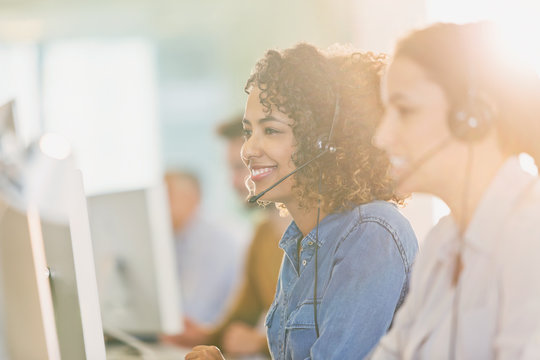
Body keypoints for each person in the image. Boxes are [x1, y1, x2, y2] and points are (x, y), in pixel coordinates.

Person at [186, 43, 418, 359]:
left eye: (270, 130)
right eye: (248, 131)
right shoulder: (301, 241)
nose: (249, 150)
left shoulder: (372, 232)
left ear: (324, 144)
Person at [370, 22, 540, 359]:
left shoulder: (529, 236)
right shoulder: (441, 243)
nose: (382, 136)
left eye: (405, 110)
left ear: (473, 117)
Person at [163, 118, 289, 359]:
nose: (233, 182)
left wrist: (261, 343)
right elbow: (241, 318)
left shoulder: (316, 234)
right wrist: (203, 337)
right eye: (231, 169)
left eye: (242, 168)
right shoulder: (262, 235)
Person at [164, 170, 245, 327]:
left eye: (167, 196)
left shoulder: (217, 241)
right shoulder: (173, 238)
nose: (159, 204)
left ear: (192, 198)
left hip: (212, 340)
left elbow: (194, 312)